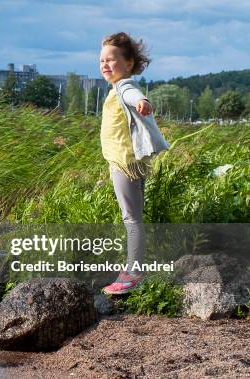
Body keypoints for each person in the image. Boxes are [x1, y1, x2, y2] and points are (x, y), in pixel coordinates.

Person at [99, 32, 169, 295]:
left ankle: (134, 273)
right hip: (124, 163)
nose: (105, 65)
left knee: (131, 219)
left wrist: (143, 102)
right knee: (132, 217)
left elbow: (134, 95)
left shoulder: (124, 87)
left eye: (111, 60)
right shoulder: (115, 89)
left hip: (125, 164)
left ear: (128, 63)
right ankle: (132, 268)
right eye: (102, 61)